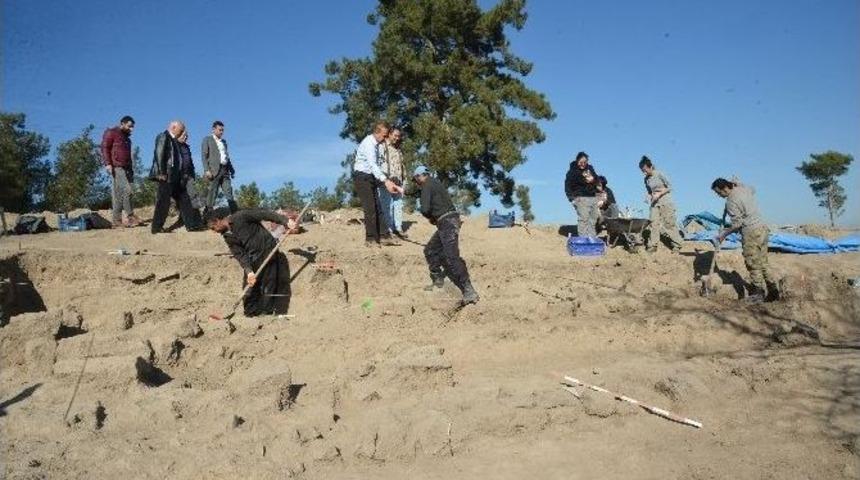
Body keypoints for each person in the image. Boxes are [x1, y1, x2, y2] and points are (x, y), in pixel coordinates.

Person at [206, 208, 295, 316]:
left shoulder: (241, 216)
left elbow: (265, 213)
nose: (214, 231)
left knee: (268, 283)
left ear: (217, 220)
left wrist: (285, 221)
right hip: (253, 257)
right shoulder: (227, 236)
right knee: (249, 286)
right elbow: (239, 254)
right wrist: (249, 271)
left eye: (213, 227)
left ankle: (267, 312)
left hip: (267, 249)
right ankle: (251, 312)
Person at [412, 166, 479, 306]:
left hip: (446, 222)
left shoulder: (426, 185)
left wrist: (430, 217)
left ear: (419, 176)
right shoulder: (436, 183)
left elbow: (424, 209)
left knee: (451, 256)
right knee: (430, 250)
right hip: (449, 221)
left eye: (416, 180)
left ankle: (469, 291)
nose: (417, 183)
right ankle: (438, 281)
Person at [712, 178, 778, 303]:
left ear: (725, 188)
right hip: (762, 229)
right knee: (763, 261)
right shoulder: (744, 189)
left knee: (752, 263)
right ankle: (773, 291)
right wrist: (739, 184)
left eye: (718, 192)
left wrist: (723, 235)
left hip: (751, 232)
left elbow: (737, 224)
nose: (718, 195)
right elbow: (753, 189)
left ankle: (758, 293)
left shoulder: (731, 201)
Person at [352, 122, 404, 246]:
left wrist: (389, 182)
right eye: (384, 135)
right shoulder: (369, 143)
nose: (385, 138)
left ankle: (384, 236)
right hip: (362, 177)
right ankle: (370, 239)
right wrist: (385, 181)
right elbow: (372, 165)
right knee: (370, 208)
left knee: (378, 206)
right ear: (377, 132)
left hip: (370, 176)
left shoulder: (376, 144)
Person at [149, 121, 201, 233]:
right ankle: (156, 228)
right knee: (163, 201)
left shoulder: (175, 141)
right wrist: (160, 172)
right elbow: (159, 154)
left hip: (176, 177)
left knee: (185, 198)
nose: (182, 132)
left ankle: (192, 225)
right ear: (173, 127)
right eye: (181, 130)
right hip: (166, 175)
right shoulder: (164, 136)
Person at [101, 115, 141, 228]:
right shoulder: (111, 132)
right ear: (122, 124)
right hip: (116, 167)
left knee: (119, 195)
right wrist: (107, 163)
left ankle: (116, 221)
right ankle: (130, 216)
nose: (131, 129)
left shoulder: (127, 139)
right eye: (129, 126)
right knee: (127, 190)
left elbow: (128, 156)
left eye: (133, 127)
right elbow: (105, 147)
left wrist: (131, 169)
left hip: (127, 168)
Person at [639, 156, 683, 253]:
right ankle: (653, 245)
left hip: (665, 201)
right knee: (653, 223)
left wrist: (660, 193)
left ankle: (677, 244)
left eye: (645, 170)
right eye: (642, 171)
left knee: (669, 223)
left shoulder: (659, 174)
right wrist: (648, 196)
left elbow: (670, 187)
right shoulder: (646, 179)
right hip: (655, 203)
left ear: (650, 167)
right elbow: (649, 191)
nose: (644, 173)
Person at [202, 120, 238, 214]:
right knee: (213, 192)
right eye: (220, 130)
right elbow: (204, 156)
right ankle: (207, 214)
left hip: (225, 170)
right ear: (213, 129)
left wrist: (232, 170)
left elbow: (227, 157)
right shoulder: (207, 139)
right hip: (214, 170)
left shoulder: (224, 142)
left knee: (229, 191)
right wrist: (206, 170)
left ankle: (235, 213)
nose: (221, 132)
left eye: (222, 130)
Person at [564, 151, 600, 237]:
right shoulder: (572, 171)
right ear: (577, 161)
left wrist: (593, 179)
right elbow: (567, 185)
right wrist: (571, 198)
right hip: (580, 197)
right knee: (583, 219)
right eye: (581, 162)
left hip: (592, 197)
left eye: (585, 162)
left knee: (593, 219)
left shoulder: (590, 168)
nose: (582, 164)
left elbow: (597, 180)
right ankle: (583, 239)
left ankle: (591, 238)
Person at [381, 128, 407, 238]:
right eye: (395, 135)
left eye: (398, 136)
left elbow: (402, 166)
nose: (397, 138)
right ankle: (389, 229)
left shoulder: (398, 150)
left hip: (399, 181)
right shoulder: (382, 147)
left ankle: (398, 228)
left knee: (398, 205)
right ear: (389, 135)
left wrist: (404, 179)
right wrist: (384, 179)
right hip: (387, 181)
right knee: (387, 205)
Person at [175, 130, 204, 230]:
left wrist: (192, 175)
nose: (185, 138)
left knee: (194, 197)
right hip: (178, 177)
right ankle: (189, 223)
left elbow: (190, 162)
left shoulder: (186, 147)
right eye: (183, 136)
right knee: (184, 200)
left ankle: (198, 222)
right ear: (178, 136)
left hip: (189, 176)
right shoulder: (173, 146)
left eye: (187, 136)